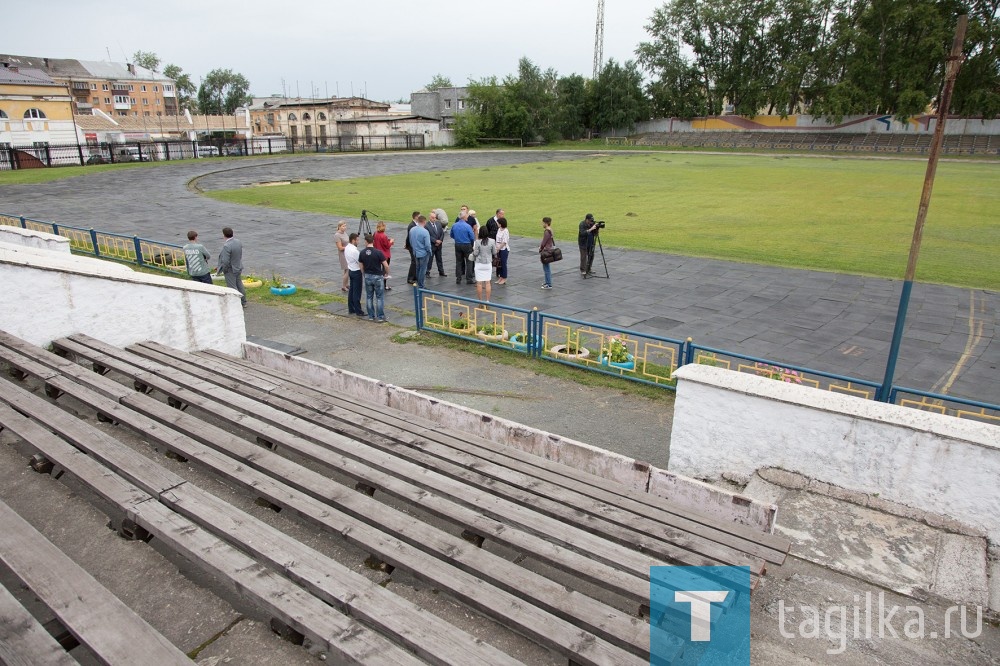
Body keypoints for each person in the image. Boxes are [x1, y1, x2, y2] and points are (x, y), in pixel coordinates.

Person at [360, 233, 389, 322]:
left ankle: (371, 316)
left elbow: (361, 265)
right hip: (377, 276)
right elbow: (386, 265)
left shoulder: (362, 252)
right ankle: (380, 316)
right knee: (379, 297)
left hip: (368, 275)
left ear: (365, 241)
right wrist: (386, 274)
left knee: (369, 296)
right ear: (373, 241)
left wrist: (364, 273)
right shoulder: (378, 252)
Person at [217, 226, 247, 306]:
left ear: (224, 235)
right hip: (238, 266)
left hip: (231, 269)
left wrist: (224, 269)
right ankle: (243, 302)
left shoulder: (227, 246)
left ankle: (236, 303)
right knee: (239, 284)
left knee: (232, 287)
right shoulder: (238, 242)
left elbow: (225, 260)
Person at [449, 209, 476, 284]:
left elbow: (451, 235)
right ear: (464, 217)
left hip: (457, 244)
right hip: (467, 244)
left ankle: (458, 278)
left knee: (458, 261)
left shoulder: (454, 225)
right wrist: (471, 244)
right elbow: (472, 237)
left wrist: (457, 239)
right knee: (469, 261)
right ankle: (469, 279)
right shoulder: (467, 226)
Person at [472, 225, 497, 302]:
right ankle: (487, 301)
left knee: (479, 283)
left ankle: (480, 301)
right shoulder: (492, 241)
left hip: (479, 264)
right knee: (488, 283)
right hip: (487, 264)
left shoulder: (477, 242)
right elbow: (494, 252)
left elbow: (475, 253)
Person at [408, 214, 432, 289]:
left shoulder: (412, 230)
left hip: (415, 252)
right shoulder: (425, 232)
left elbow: (410, 241)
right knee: (422, 269)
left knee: (418, 268)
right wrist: (429, 251)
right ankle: (421, 285)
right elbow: (427, 245)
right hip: (423, 253)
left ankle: (419, 283)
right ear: (424, 222)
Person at [345, 232, 364, 317]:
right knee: (357, 292)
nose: (358, 241)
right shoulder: (355, 251)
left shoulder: (347, 248)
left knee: (352, 291)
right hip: (356, 271)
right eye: (357, 240)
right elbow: (360, 262)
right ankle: (358, 310)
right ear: (353, 240)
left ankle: (351, 308)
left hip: (351, 270)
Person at [372, 221, 394, 291]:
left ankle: (376, 283)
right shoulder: (383, 235)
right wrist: (391, 242)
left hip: (377, 253)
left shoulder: (375, 233)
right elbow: (387, 246)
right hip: (385, 255)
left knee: (377, 270)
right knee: (384, 270)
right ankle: (383, 285)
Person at [426, 211, 447, 277]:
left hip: (439, 245)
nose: (434, 219)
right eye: (432, 218)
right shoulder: (426, 225)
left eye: (435, 218)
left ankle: (441, 272)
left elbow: (442, 233)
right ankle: (427, 272)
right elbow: (428, 236)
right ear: (429, 217)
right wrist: (435, 241)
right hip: (432, 245)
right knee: (430, 260)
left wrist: (440, 240)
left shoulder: (438, 223)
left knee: (439, 259)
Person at [578, 213, 599, 278]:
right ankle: (583, 270)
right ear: (586, 219)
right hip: (583, 243)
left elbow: (595, 234)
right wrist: (591, 229)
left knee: (591, 255)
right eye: (590, 220)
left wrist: (597, 229)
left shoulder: (591, 224)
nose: (591, 222)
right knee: (584, 257)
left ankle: (589, 268)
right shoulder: (582, 224)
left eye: (592, 220)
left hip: (591, 242)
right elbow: (582, 233)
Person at [403, 211, 419, 285]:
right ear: (415, 217)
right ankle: (410, 278)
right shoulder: (411, 225)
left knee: (415, 262)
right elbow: (409, 237)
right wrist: (407, 245)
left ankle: (414, 276)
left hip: (413, 246)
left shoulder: (415, 224)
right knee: (414, 262)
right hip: (412, 246)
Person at [334, 220, 350, 292]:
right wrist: (349, 247)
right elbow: (340, 247)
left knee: (346, 269)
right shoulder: (337, 235)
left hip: (347, 253)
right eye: (343, 226)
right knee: (347, 269)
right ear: (339, 227)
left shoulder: (345, 233)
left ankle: (346, 284)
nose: (345, 227)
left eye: (345, 226)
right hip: (343, 254)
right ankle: (343, 286)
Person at [539, 217, 554, 290]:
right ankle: (547, 282)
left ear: (546, 223)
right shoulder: (550, 230)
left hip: (546, 251)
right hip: (549, 250)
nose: (542, 224)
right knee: (547, 267)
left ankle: (548, 284)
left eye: (543, 223)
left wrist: (540, 249)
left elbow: (543, 242)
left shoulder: (546, 231)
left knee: (546, 268)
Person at [495, 217, 510, 285]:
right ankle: (501, 277)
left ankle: (504, 277)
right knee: (499, 264)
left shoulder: (505, 231)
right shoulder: (499, 229)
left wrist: (498, 248)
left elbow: (504, 242)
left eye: (498, 223)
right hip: (498, 248)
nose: (497, 224)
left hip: (504, 249)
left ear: (500, 224)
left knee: (503, 263)